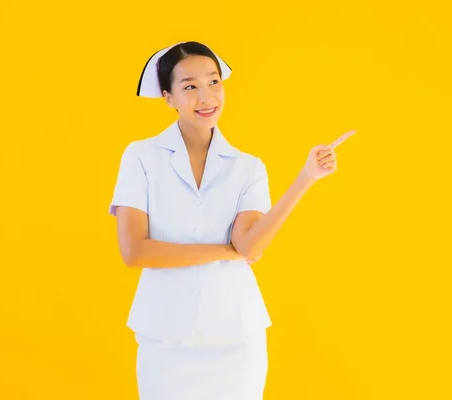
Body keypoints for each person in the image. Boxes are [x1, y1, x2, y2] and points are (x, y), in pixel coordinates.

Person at [108, 41, 355, 400]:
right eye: (190, 86)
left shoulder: (247, 167)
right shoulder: (141, 157)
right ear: (168, 97)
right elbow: (135, 252)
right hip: (165, 336)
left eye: (213, 82)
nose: (206, 96)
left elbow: (250, 245)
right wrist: (224, 251)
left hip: (237, 338)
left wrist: (306, 177)